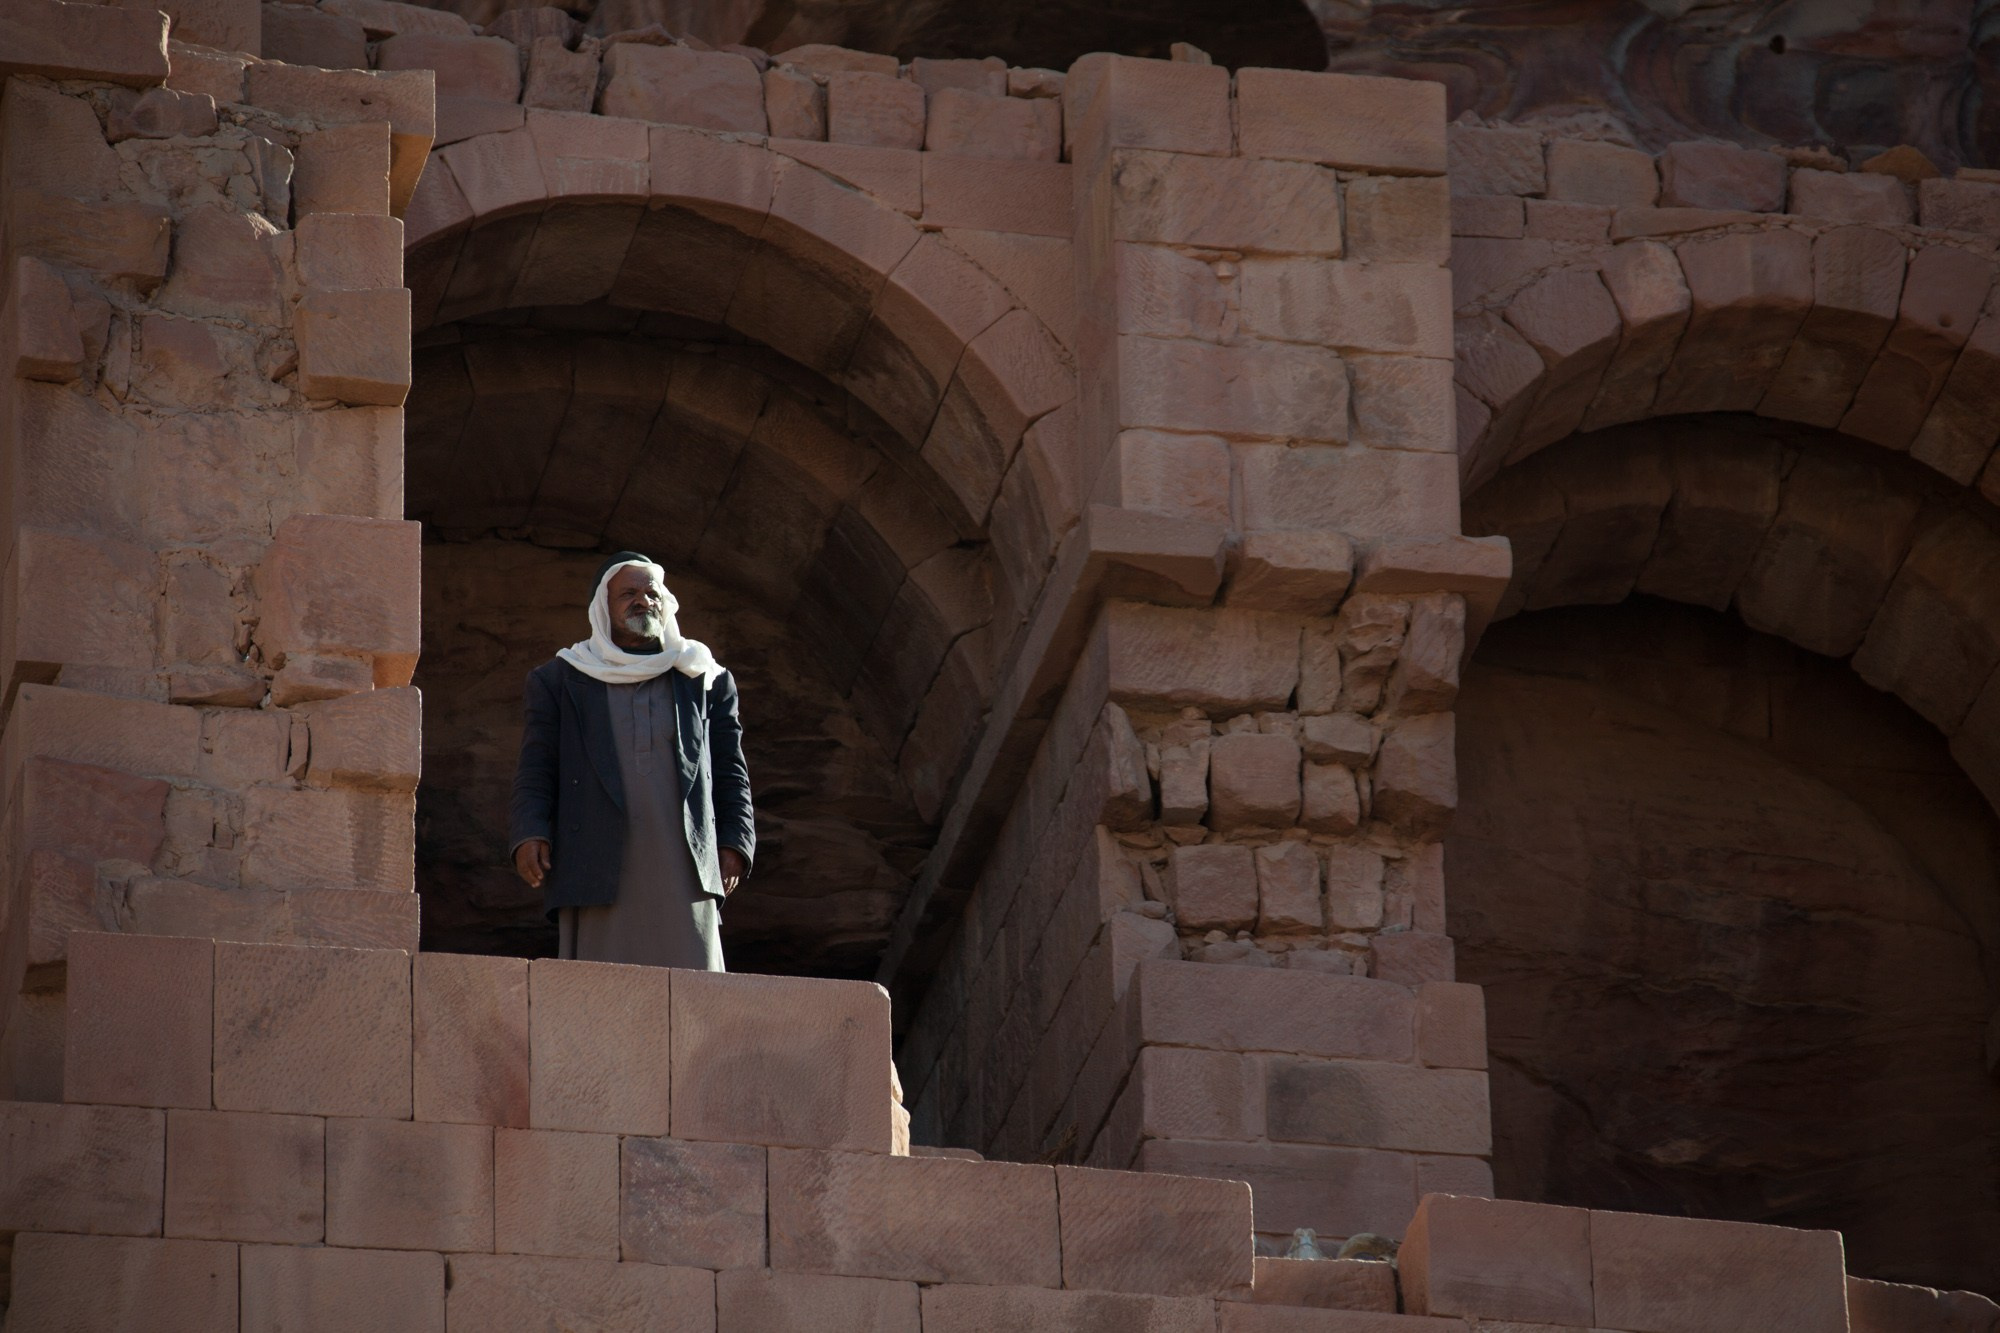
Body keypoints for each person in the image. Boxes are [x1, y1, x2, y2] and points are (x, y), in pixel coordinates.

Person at [509, 552, 754, 970]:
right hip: (594, 855)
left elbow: (730, 768)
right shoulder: (559, 678)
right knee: (603, 991)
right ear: (602, 608)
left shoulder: (703, 677)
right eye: (628, 594)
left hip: (685, 860)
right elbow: (538, 766)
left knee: (695, 980)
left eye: (651, 593)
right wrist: (529, 832)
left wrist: (735, 842)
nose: (643, 602)